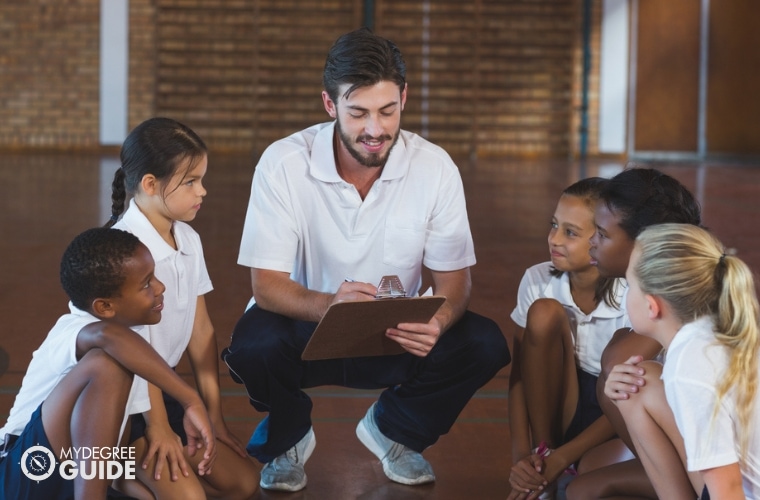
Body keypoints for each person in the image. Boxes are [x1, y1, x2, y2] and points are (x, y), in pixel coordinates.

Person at [220, 27, 510, 492]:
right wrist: (328, 305)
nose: (375, 130)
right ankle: (288, 437)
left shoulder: (435, 167)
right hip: (308, 326)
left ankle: (395, 431)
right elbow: (266, 285)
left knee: (483, 342)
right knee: (253, 346)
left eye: (387, 110)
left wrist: (438, 319)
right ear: (329, 105)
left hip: (394, 335)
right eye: (357, 113)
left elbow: (455, 283)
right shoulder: (283, 163)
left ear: (404, 99)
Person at [104, 117, 258, 499]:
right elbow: (137, 356)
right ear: (150, 185)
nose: (202, 191)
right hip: (124, 402)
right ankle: (114, 471)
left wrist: (214, 419)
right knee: (190, 497)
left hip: (165, 387)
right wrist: (158, 427)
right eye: (190, 182)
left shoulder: (188, 237)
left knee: (244, 483)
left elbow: (201, 332)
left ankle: (143, 469)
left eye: (201, 179)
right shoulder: (125, 252)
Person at [0, 227, 215, 500]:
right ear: (104, 307)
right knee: (106, 363)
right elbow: (106, 337)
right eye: (147, 283)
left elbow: (112, 439)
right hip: (22, 472)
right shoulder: (76, 330)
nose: (160, 288)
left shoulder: (130, 340)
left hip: (70, 477)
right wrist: (190, 399)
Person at [565, 167, 703, 499]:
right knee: (586, 477)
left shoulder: (676, 306)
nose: (591, 242)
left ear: (643, 245)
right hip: (687, 451)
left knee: (627, 372)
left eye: (602, 233)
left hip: (717, 470)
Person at [609, 224, 760, 498]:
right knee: (638, 382)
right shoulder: (711, 331)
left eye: (629, 284)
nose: (625, 294)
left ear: (652, 305)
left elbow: (727, 488)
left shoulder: (690, 365)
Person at [507, 178, 627, 500]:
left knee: (589, 478)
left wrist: (567, 458)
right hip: (562, 403)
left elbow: (628, 395)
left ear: (602, 237)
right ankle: (543, 458)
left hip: (614, 415)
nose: (554, 239)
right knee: (543, 312)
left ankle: (566, 464)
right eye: (554, 225)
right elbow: (519, 375)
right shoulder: (537, 278)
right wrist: (523, 458)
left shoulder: (632, 293)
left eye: (570, 232)